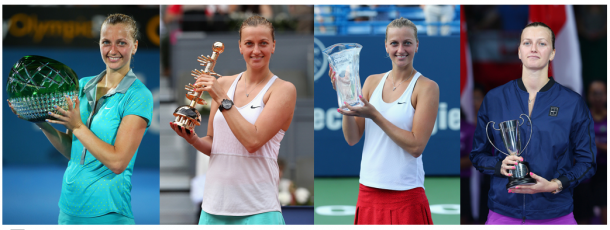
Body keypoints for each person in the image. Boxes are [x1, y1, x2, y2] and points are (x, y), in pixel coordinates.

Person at [8, 13, 153, 224]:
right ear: (99, 45)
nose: (113, 50)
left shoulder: (139, 96)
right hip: (68, 210)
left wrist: (77, 125)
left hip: (109, 214)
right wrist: (40, 122)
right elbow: (72, 150)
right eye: (106, 42)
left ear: (135, 46)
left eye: (121, 43)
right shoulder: (81, 85)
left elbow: (118, 162)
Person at [170, 15, 296, 225]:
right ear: (240, 47)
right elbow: (215, 143)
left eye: (263, 43)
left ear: (273, 46)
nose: (256, 50)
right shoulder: (224, 83)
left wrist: (221, 97)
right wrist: (193, 139)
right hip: (213, 208)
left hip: (259, 210)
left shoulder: (283, 90)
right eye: (249, 43)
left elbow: (252, 141)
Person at [470, 22, 597, 225]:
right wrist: (498, 166)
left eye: (542, 43)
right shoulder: (495, 98)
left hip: (556, 214)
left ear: (553, 53)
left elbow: (587, 161)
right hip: (503, 214)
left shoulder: (572, 103)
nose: (534, 49)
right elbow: (477, 155)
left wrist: (556, 184)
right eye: (527, 43)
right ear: (519, 51)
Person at [329, 17, 439, 225]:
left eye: (407, 42)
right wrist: (344, 97)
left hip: (407, 193)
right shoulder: (371, 82)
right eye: (394, 43)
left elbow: (416, 146)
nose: (401, 49)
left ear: (417, 45)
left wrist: (376, 116)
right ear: (386, 46)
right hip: (368, 191)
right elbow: (352, 138)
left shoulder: (427, 87)